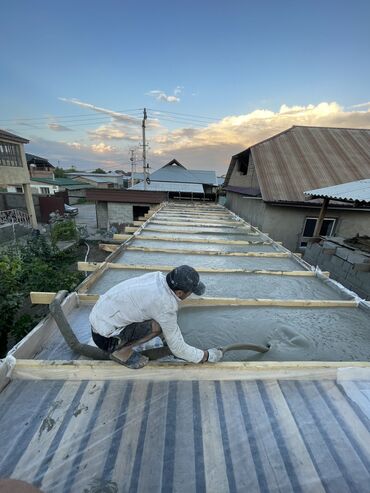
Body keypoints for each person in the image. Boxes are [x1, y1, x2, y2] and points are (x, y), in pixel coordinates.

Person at [89, 265, 223, 369]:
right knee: (158, 326)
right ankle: (121, 352)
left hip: (99, 321)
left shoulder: (157, 278)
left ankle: (125, 341)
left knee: (159, 320)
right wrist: (205, 356)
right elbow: (178, 349)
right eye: (190, 292)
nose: (191, 295)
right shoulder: (164, 306)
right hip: (107, 339)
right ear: (180, 292)